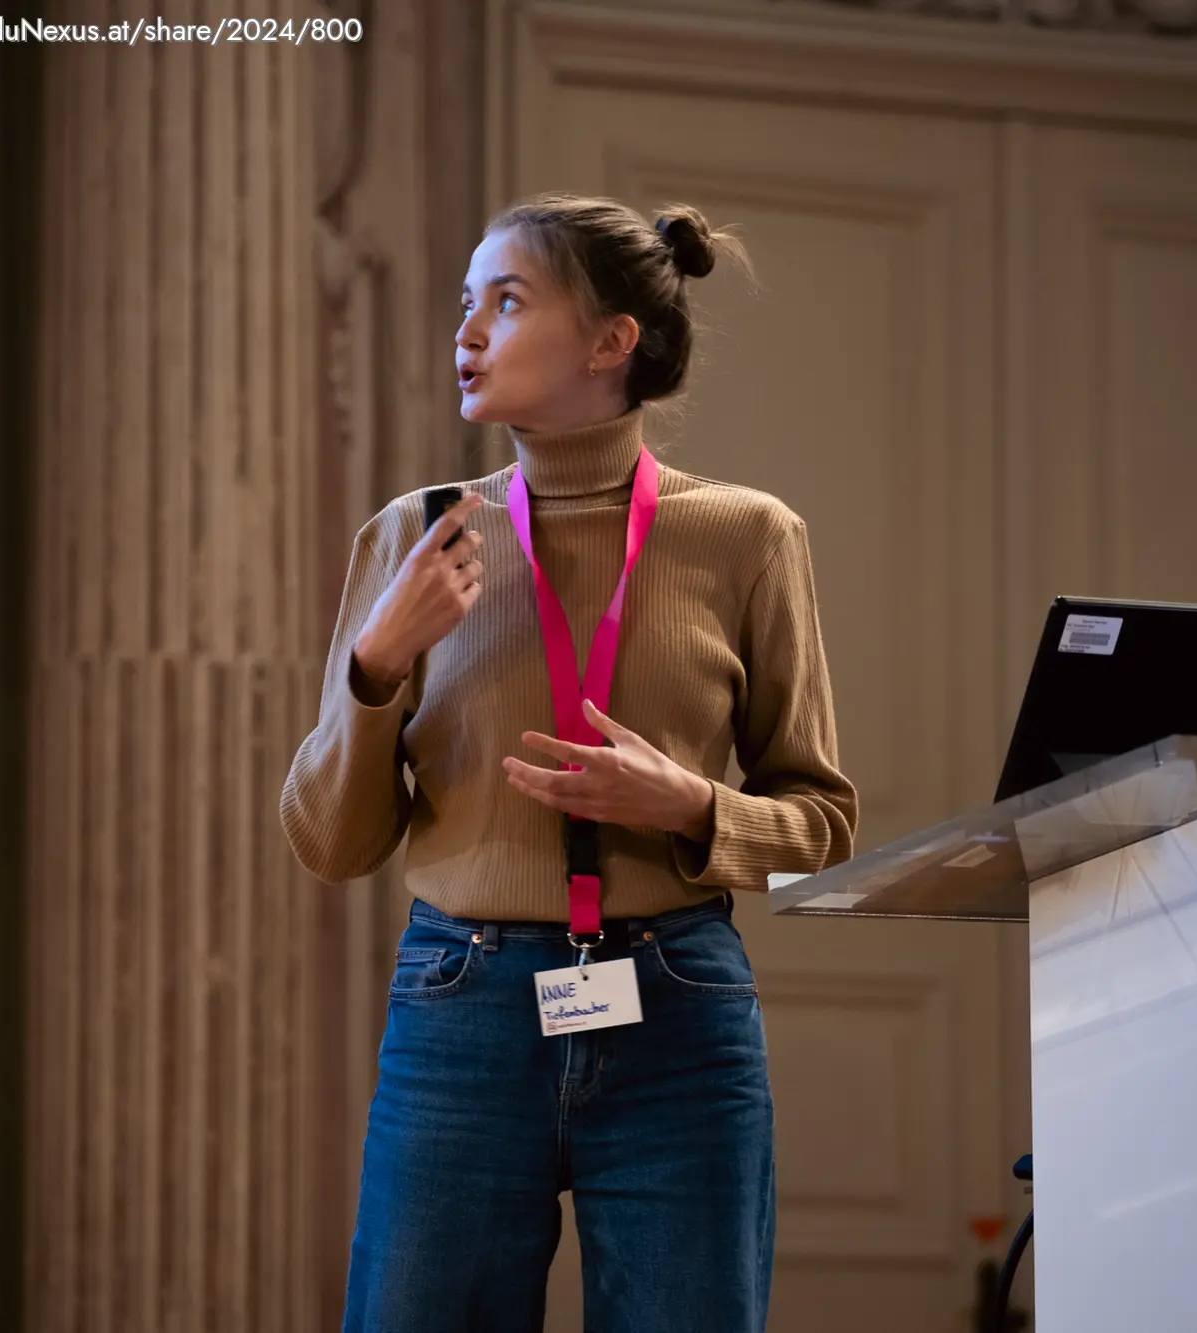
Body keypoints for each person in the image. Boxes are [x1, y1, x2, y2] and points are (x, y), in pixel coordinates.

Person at [279, 192, 859, 1333]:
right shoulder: (415, 536)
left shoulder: (748, 537)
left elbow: (821, 820)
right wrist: (374, 665)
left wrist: (688, 804)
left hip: (677, 1008)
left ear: (609, 343)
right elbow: (328, 842)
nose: (466, 333)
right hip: (460, 1004)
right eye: (464, 304)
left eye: (506, 301)